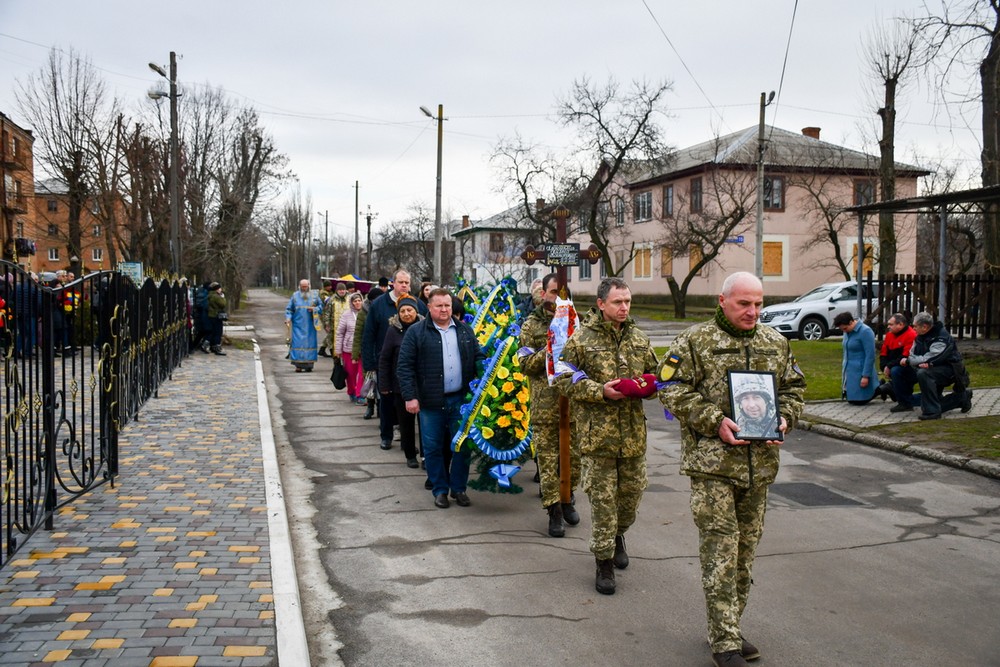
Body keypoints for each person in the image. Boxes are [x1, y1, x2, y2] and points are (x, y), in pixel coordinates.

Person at [658, 271, 805, 667]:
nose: (753, 311)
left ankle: (730, 627)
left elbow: (794, 388)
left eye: (758, 303)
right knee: (721, 552)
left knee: (743, 555)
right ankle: (724, 642)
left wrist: (785, 418)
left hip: (759, 468)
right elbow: (668, 387)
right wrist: (713, 420)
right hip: (713, 466)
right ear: (722, 301)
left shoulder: (774, 342)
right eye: (744, 303)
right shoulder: (695, 341)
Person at [553, 277, 658, 595]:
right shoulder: (582, 339)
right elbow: (562, 376)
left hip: (633, 437)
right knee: (603, 503)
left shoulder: (639, 338)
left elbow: (656, 375)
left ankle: (617, 534)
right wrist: (599, 391)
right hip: (597, 438)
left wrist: (649, 386)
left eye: (628, 301)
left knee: (629, 500)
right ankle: (604, 563)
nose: (624, 307)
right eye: (617, 302)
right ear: (601, 304)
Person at [397, 288, 484, 509]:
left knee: (462, 446)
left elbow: (478, 357)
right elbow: (404, 366)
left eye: (447, 305)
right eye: (439, 306)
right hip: (430, 402)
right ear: (429, 307)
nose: (444, 310)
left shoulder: (464, 330)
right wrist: (410, 397)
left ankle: (459, 488)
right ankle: (440, 490)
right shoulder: (416, 332)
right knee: (433, 447)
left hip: (460, 401)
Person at [519, 273, 580, 538]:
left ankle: (568, 498)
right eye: (554, 292)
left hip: (574, 405)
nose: (559, 297)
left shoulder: (577, 322)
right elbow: (524, 364)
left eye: (563, 291)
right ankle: (553, 509)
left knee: (574, 459)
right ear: (543, 293)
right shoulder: (531, 325)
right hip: (545, 405)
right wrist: (550, 349)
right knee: (547, 460)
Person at [362, 269, 428, 449]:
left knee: (409, 405)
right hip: (386, 364)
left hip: (413, 367)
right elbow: (369, 335)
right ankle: (386, 436)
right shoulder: (379, 304)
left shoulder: (418, 305)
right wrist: (369, 364)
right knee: (386, 402)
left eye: (407, 283)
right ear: (393, 283)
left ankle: (408, 441)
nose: (404, 285)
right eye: (401, 282)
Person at [896, 312, 973, 420]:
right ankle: (960, 399)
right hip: (932, 368)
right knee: (902, 371)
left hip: (950, 370)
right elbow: (912, 354)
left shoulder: (941, 337)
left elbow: (931, 357)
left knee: (923, 374)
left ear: (924, 327)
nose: (913, 328)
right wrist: (918, 361)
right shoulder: (919, 337)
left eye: (915, 326)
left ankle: (932, 412)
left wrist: (917, 361)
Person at [378, 294, 424, 468]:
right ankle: (410, 454)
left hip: (424, 384)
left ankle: (426, 456)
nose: (406, 314)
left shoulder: (425, 328)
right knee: (406, 423)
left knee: (425, 424)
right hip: (400, 385)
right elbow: (385, 359)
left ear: (416, 311)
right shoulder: (393, 331)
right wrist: (384, 384)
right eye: (402, 311)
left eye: (409, 310)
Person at [833, 311, 876, 405]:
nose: (844, 331)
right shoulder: (847, 332)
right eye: (842, 330)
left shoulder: (865, 331)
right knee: (851, 401)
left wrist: (865, 376)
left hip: (861, 368)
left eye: (845, 328)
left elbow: (870, 355)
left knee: (859, 402)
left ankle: (881, 388)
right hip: (850, 369)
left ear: (851, 322)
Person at [285, 279, 323, 372]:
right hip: (298, 325)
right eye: (302, 287)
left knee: (309, 344)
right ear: (299, 286)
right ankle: (298, 365)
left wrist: (314, 309)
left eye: (306, 287)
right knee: (298, 344)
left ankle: (309, 365)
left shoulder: (315, 295)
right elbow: (289, 309)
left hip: (310, 326)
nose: (304, 288)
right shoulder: (295, 296)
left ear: (309, 286)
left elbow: (321, 306)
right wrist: (288, 318)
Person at [882, 313, 918, 411]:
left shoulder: (911, 335)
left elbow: (905, 355)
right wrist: (884, 366)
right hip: (895, 364)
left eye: (891, 324)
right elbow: (884, 352)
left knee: (896, 371)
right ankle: (898, 395)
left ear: (901, 325)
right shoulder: (889, 335)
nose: (888, 327)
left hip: (909, 365)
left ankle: (904, 402)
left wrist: (888, 366)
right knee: (895, 370)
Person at [336, 292, 365, 404]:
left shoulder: (365, 313)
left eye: (359, 300)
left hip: (362, 348)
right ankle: (352, 391)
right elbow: (340, 333)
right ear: (351, 303)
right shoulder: (346, 315)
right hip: (348, 349)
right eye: (355, 301)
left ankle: (360, 395)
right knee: (351, 374)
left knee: (362, 373)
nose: (357, 303)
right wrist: (338, 349)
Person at [321, 282, 349, 358]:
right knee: (334, 343)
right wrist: (327, 324)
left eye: (343, 290)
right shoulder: (332, 300)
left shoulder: (349, 299)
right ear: (337, 290)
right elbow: (327, 313)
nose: (342, 291)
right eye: (340, 290)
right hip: (334, 326)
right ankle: (336, 359)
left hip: (347, 326)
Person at [206, 282, 228, 356]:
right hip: (216, 316)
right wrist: (222, 297)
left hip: (211, 315)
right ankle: (217, 347)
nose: (220, 289)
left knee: (214, 332)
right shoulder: (216, 296)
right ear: (216, 289)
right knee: (218, 332)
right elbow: (223, 304)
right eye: (219, 288)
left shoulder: (210, 295)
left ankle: (212, 346)